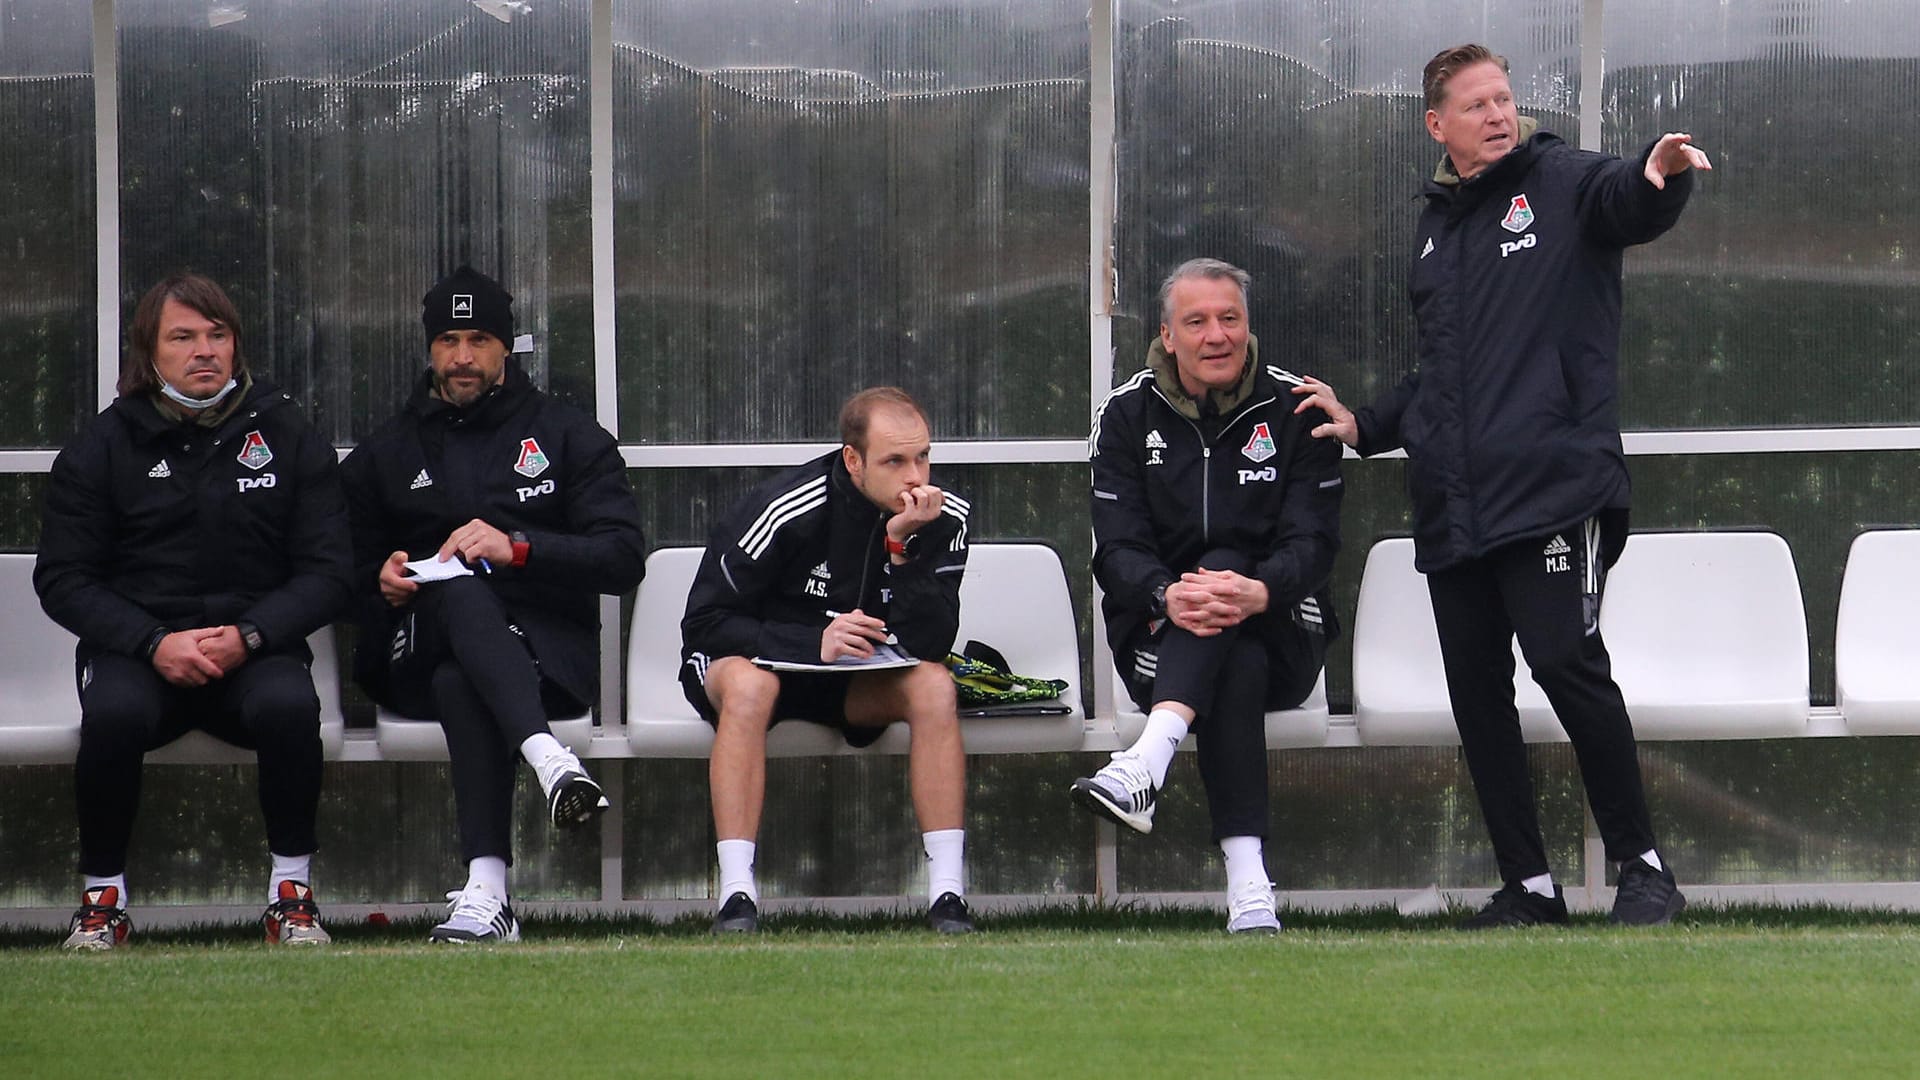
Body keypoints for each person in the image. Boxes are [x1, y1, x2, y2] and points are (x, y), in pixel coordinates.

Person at [1290, 44, 1712, 928]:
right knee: (1478, 695)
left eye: (1505, 99)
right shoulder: (1436, 228)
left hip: (1555, 489)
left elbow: (1624, 199)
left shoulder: (1559, 180)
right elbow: (1444, 374)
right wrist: (1365, 423)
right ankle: (1530, 886)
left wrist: (1660, 175)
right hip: (1456, 506)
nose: (1497, 115)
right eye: (1476, 104)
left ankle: (1643, 870)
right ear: (1437, 124)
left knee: (1566, 664)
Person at [35, 273, 351, 949]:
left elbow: (329, 571)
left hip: (254, 650)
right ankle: (102, 902)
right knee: (113, 715)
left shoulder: (288, 433)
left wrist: (251, 634)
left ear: (236, 346)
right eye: (183, 337)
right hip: (141, 654)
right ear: (149, 354)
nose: (204, 350)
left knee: (292, 708)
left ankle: (292, 897)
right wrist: (152, 642)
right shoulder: (103, 445)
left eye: (218, 335)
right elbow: (62, 579)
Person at [340, 265, 646, 944]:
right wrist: (379, 579)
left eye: (479, 339)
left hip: (544, 661)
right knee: (453, 588)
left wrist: (521, 548)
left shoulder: (566, 435)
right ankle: (548, 759)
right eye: (448, 340)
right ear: (429, 350)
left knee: (465, 676)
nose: (463, 357)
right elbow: (331, 569)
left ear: (506, 347)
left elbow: (623, 558)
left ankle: (486, 892)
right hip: (409, 653)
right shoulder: (387, 452)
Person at [1071, 259, 1343, 934]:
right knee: (1234, 662)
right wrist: (1167, 595)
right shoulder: (1125, 416)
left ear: (1248, 328)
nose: (1216, 335)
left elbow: (1313, 546)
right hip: (1158, 642)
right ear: (1167, 335)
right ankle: (1250, 886)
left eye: (1230, 319)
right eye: (1197, 322)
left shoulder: (1298, 409)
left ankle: (1146, 762)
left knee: (1225, 569)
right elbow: (1118, 552)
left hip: (1285, 630)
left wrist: (1258, 591)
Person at [681, 387, 974, 934]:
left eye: (923, 457)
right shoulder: (786, 506)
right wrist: (808, 641)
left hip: (853, 684)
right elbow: (705, 623)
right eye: (895, 461)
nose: (915, 476)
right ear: (853, 459)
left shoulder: (942, 515)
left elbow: (929, 642)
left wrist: (900, 548)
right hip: (755, 665)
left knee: (934, 686)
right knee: (751, 688)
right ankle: (737, 897)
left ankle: (948, 897)